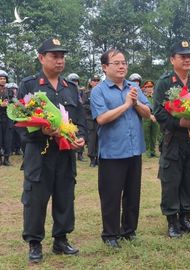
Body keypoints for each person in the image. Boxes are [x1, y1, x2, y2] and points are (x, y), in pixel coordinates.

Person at [18, 38, 86, 263]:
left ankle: (61, 239)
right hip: (39, 153)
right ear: (41, 58)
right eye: (54, 56)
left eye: (62, 56)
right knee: (36, 199)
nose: (59, 60)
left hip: (65, 154)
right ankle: (34, 243)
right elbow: (20, 126)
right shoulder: (29, 85)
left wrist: (81, 138)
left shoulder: (71, 87)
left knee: (65, 195)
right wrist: (44, 133)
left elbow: (81, 121)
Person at [90, 49, 151, 249]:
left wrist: (135, 103)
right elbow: (102, 118)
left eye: (124, 62)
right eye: (116, 63)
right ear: (105, 67)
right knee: (111, 196)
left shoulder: (133, 87)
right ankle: (110, 234)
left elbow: (147, 111)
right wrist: (126, 105)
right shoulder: (98, 91)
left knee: (133, 194)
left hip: (134, 150)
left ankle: (129, 230)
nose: (122, 66)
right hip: (112, 152)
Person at [153, 39, 190, 238]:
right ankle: (172, 221)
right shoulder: (165, 82)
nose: (187, 59)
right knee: (171, 180)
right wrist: (179, 123)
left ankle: (186, 218)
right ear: (172, 59)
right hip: (173, 139)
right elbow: (158, 111)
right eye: (182, 56)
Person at [82, 75, 101, 167]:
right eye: (94, 80)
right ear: (90, 82)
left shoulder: (102, 93)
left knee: (100, 139)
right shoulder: (86, 93)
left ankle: (98, 158)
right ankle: (92, 159)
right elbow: (84, 105)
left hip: (101, 119)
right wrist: (94, 109)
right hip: (90, 119)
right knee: (92, 140)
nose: (96, 82)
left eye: (98, 80)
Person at [67, 73, 86, 161]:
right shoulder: (66, 91)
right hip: (69, 118)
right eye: (72, 81)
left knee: (80, 135)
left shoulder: (81, 92)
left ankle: (80, 154)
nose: (75, 82)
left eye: (76, 81)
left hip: (80, 116)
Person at [142, 80, 159, 157]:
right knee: (146, 135)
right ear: (144, 88)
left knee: (154, 134)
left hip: (155, 117)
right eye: (147, 87)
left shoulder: (156, 96)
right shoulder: (142, 97)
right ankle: (147, 151)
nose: (149, 88)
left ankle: (153, 151)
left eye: (151, 86)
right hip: (146, 118)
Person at [0, 70, 14, 166]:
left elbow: (14, 102)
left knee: (8, 138)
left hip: (8, 117)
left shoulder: (10, 91)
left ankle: (7, 158)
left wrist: (9, 104)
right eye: (0, 78)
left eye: (4, 78)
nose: (2, 80)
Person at [6, 83, 22, 155]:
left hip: (17, 119)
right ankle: (10, 149)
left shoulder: (18, 97)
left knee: (18, 134)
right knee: (10, 135)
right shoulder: (7, 98)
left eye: (15, 89)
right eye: (12, 89)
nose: (14, 90)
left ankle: (17, 149)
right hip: (8, 119)